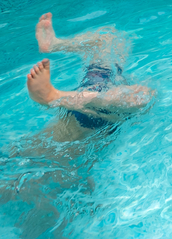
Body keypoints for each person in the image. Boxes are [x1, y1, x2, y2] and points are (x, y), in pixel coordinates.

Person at [26, 13, 154, 142]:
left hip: (91, 123)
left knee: (141, 98)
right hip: (101, 98)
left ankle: (54, 97)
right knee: (108, 38)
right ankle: (54, 44)